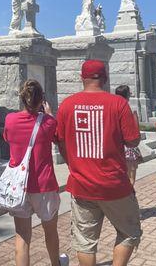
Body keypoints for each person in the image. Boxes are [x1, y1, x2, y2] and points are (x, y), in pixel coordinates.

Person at [56, 60, 142, 266]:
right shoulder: (118, 103)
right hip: (115, 185)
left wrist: (73, 165)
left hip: (82, 184)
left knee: (85, 241)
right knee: (129, 232)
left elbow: (60, 141)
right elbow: (133, 140)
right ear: (104, 78)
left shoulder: (67, 105)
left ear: (81, 78)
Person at [3, 79, 69, 266]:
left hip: (20, 187)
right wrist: (48, 114)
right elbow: (57, 139)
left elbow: (7, 138)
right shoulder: (48, 122)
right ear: (42, 100)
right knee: (50, 232)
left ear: (23, 98)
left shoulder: (10, 120)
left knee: (22, 236)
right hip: (44, 184)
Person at [115, 85, 142, 185]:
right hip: (128, 145)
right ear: (127, 95)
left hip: (116, 146)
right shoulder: (130, 108)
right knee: (131, 174)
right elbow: (135, 127)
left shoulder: (112, 107)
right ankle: (130, 193)